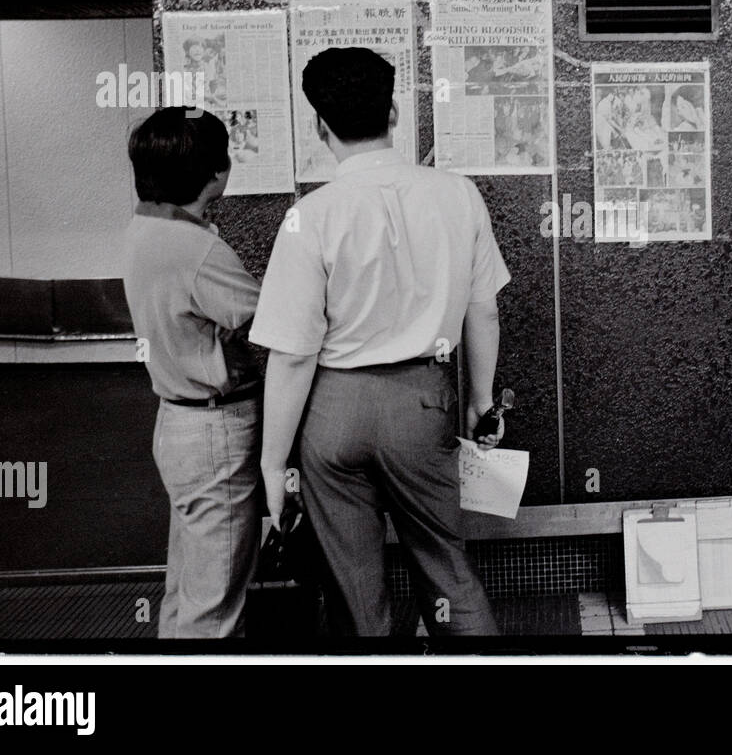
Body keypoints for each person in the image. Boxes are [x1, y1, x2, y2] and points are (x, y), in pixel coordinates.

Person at [250, 46, 509, 637]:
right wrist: (481, 400)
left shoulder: (308, 218)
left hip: (332, 410)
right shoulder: (458, 194)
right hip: (423, 403)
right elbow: (484, 312)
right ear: (393, 112)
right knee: (447, 569)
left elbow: (291, 355)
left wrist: (272, 464)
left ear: (320, 127)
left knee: (354, 586)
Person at [121, 108, 262, 638]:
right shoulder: (198, 250)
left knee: (186, 590)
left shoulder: (145, 226)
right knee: (215, 607)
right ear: (217, 172)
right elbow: (266, 316)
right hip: (214, 432)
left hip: (176, 423)